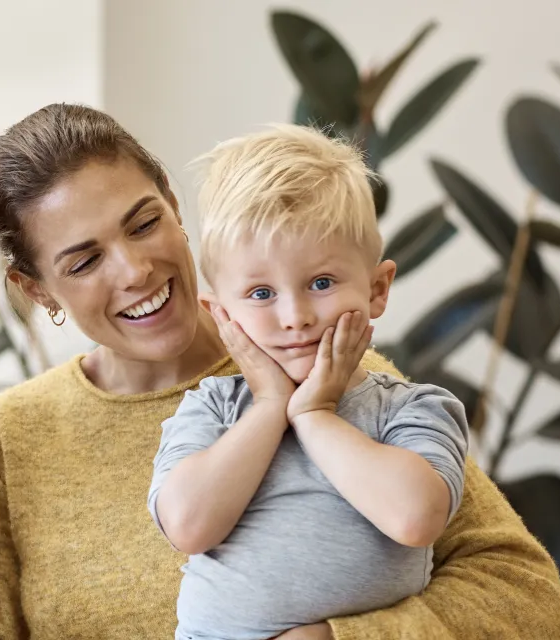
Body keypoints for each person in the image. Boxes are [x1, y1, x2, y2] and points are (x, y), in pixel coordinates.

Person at [0, 103, 560, 639]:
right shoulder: (14, 438)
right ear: (36, 290)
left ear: (173, 203)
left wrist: (338, 639)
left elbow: (527, 593)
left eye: (145, 222)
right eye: (83, 262)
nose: (133, 271)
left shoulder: (337, 378)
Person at [149, 125, 469, 640]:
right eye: (259, 293)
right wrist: (271, 404)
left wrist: (315, 415)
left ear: (377, 289)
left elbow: (415, 518)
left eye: (321, 283)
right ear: (220, 313)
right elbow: (188, 526)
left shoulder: (414, 409)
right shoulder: (212, 409)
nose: (295, 316)